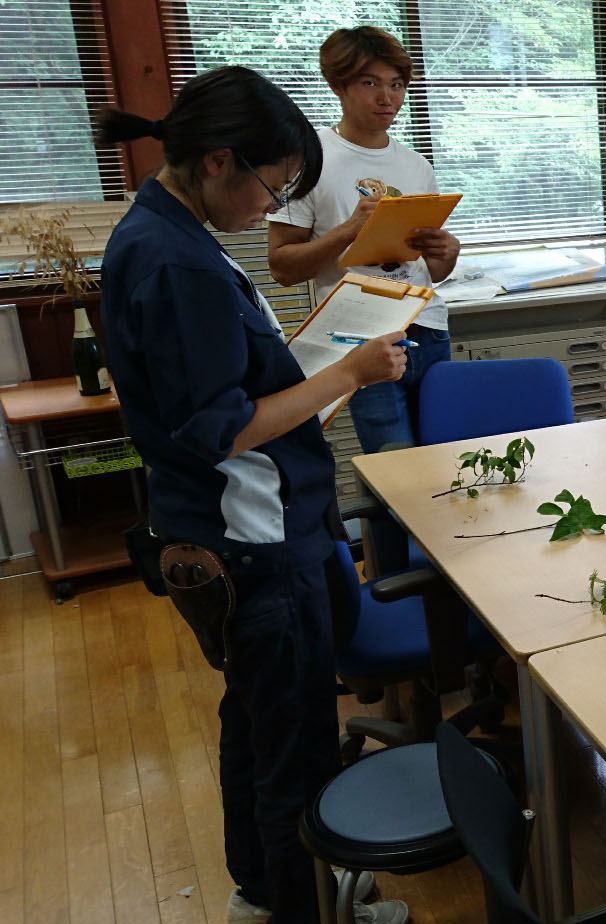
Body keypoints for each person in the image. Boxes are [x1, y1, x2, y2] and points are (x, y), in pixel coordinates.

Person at [95, 67, 409, 924]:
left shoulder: (166, 233)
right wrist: (345, 370)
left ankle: (265, 892)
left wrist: (310, 367)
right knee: (295, 743)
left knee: (258, 725)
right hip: (255, 542)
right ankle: (306, 906)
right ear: (219, 162)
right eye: (272, 187)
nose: (268, 209)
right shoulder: (173, 263)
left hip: (236, 529)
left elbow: (217, 388)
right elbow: (217, 427)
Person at [268, 26, 459, 453]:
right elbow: (281, 266)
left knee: (447, 462)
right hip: (360, 337)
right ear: (338, 86)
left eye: (396, 85)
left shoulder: (415, 164)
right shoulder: (309, 159)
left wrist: (448, 253)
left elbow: (430, 273)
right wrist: (348, 230)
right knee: (395, 469)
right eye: (370, 83)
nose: (386, 98)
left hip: (427, 330)